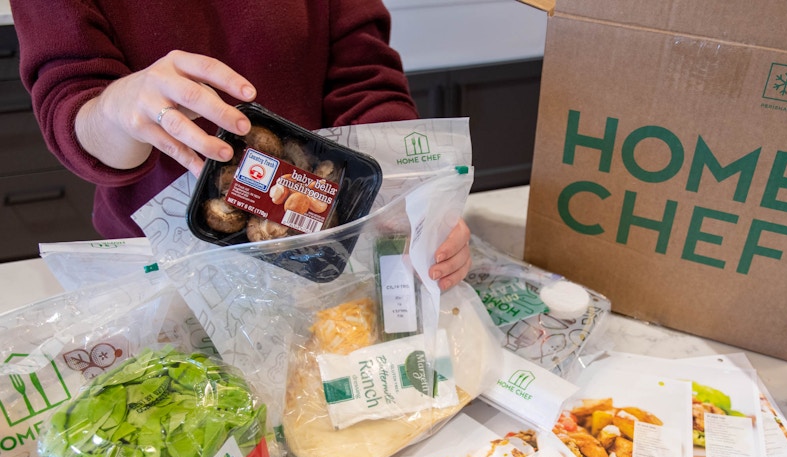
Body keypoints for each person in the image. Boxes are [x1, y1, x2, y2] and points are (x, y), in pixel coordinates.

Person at [11, 0, 471, 290]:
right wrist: (115, 110)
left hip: (316, 250)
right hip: (164, 272)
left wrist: (412, 200)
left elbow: (364, 74)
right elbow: (73, 107)